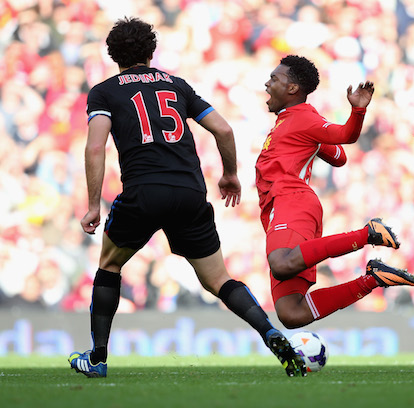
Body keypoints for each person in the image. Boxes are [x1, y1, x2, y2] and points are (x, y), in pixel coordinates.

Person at [69, 17, 306, 378]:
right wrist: (229, 174)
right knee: (219, 280)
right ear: (151, 51)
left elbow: (95, 146)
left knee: (110, 265)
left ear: (113, 54)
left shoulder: (104, 92)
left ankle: (98, 358)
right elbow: (223, 129)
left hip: (144, 191)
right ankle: (269, 332)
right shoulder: (176, 85)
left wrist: (92, 204)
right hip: (189, 192)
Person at [256, 55, 414, 329]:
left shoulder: (303, 117)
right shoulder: (291, 121)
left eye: (274, 79)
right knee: (291, 313)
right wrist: (316, 144)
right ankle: (373, 278)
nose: (267, 84)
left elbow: (345, 136)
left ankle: (369, 233)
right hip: (279, 206)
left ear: (292, 88)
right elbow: (339, 156)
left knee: (281, 264)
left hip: (291, 200)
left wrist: (357, 112)